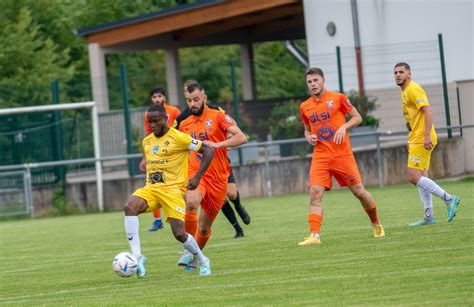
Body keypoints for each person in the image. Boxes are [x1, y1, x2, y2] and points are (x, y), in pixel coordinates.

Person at [124, 103, 214, 277]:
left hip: (172, 191)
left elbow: (208, 150)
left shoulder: (179, 137)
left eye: (156, 121)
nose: (153, 125)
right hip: (151, 189)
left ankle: (202, 260)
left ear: (166, 119)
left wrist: (197, 178)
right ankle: (137, 256)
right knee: (129, 207)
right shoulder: (147, 141)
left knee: (180, 234)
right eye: (150, 122)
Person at [298, 67, 385, 246]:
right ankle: (314, 235)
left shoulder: (338, 98)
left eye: (316, 80)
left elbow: (357, 117)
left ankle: (376, 223)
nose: (313, 84)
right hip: (320, 156)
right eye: (309, 82)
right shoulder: (304, 106)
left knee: (360, 192)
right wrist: (309, 137)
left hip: (342, 155)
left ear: (323, 80)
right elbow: (306, 130)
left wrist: (344, 127)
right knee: (315, 192)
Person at [177, 81, 247, 267]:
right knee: (191, 202)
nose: (192, 104)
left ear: (205, 98)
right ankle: (187, 248)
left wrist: (220, 144)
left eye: (196, 99)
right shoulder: (183, 124)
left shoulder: (218, 116)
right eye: (189, 100)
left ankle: (195, 259)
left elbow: (242, 137)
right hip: (196, 174)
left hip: (218, 179)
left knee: (204, 227)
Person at [394, 63, 460, 226]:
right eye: (395, 72)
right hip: (416, 137)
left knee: (413, 177)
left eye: (401, 72)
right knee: (422, 175)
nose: (397, 75)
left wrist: (425, 136)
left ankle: (449, 199)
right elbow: (413, 119)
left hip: (422, 137)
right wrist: (411, 138)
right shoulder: (404, 91)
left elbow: (428, 111)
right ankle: (429, 216)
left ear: (409, 74)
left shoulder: (413, 88)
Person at [141, 87, 181, 232]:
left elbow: (182, 130)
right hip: (157, 154)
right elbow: (147, 136)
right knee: (153, 183)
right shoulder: (148, 114)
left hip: (173, 153)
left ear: (164, 97)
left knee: (173, 184)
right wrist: (144, 158)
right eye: (154, 97)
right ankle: (157, 220)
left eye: (159, 96)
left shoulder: (174, 111)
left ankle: (176, 214)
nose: (157, 99)